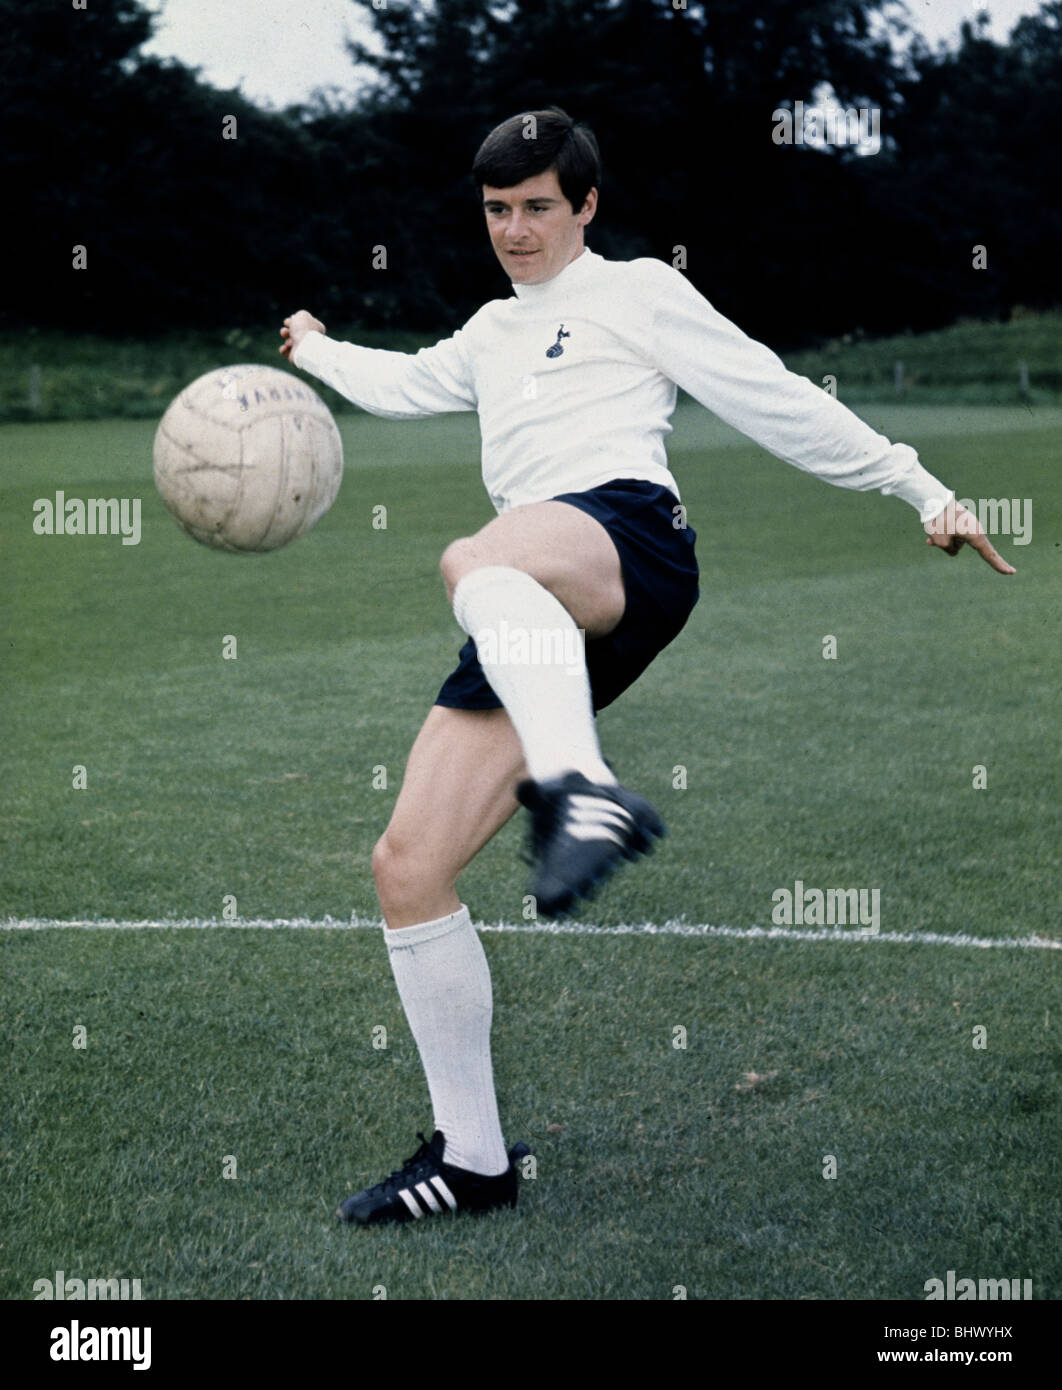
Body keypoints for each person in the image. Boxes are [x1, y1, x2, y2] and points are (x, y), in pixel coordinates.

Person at [279, 107, 1014, 1228]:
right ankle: (474, 1160)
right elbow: (403, 380)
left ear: (586, 207)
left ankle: (583, 789)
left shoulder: (640, 295)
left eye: (537, 207)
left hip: (629, 539)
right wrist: (317, 348)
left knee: (472, 553)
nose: (516, 231)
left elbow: (776, 396)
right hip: (531, 608)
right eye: (497, 211)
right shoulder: (486, 332)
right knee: (407, 865)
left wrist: (920, 488)